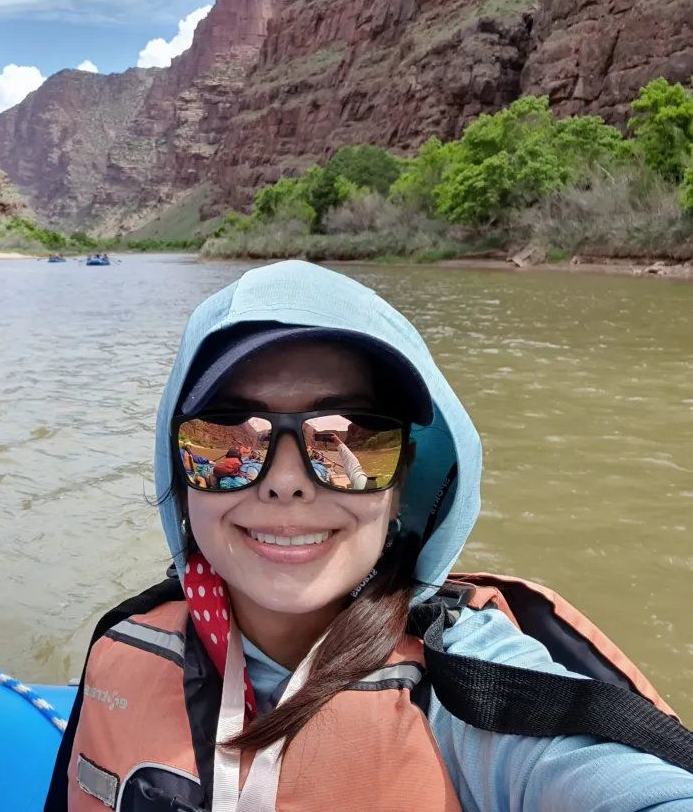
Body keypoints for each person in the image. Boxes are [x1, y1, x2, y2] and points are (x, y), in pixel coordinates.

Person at [46, 261, 693, 811]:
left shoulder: (474, 684)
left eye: (349, 440)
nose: (287, 484)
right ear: (179, 472)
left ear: (402, 482)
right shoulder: (125, 641)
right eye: (230, 440)